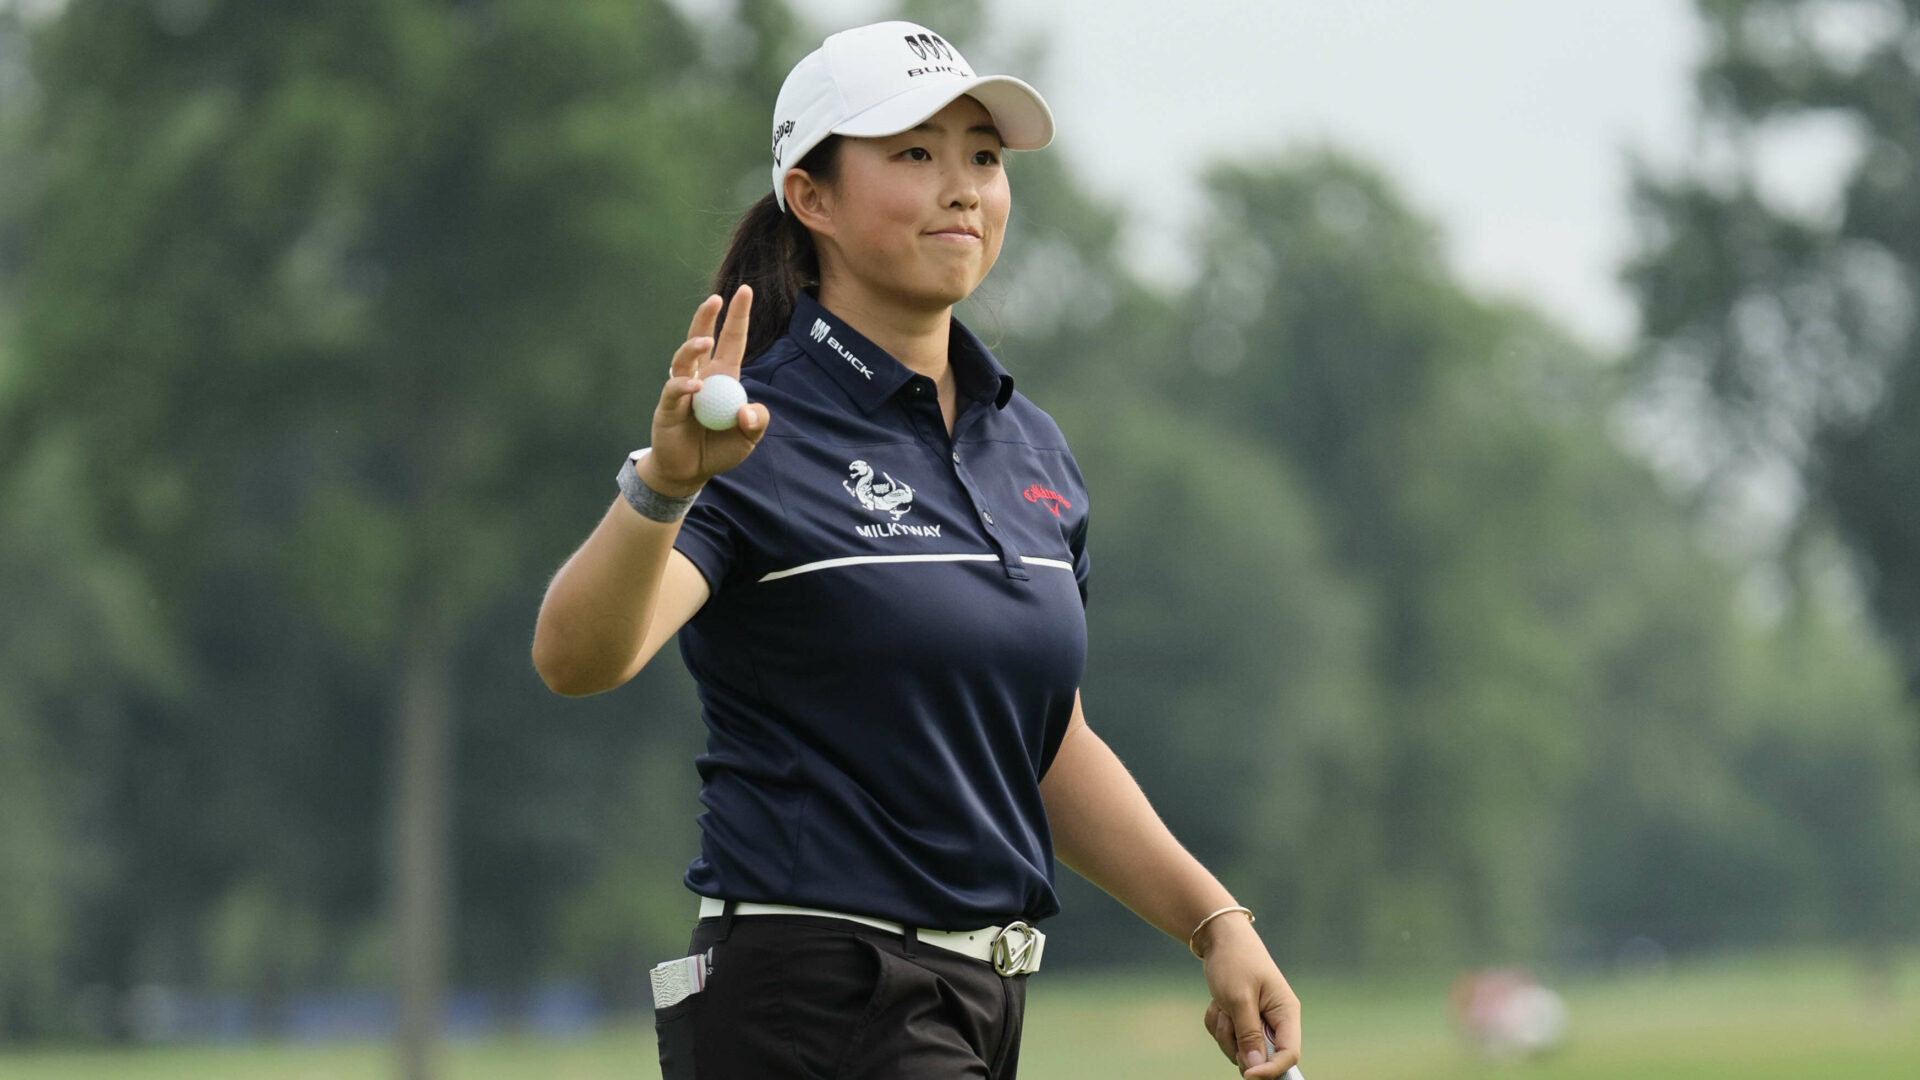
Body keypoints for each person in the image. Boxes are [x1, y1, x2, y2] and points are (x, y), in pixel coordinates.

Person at [531, 20, 1301, 1079]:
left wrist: (1215, 922)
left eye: (982, 157)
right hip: (814, 995)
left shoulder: (1029, 446)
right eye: (913, 154)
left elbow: (1043, 743)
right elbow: (579, 659)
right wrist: (662, 486)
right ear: (813, 199)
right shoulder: (750, 429)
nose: (962, 187)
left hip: (976, 1001)